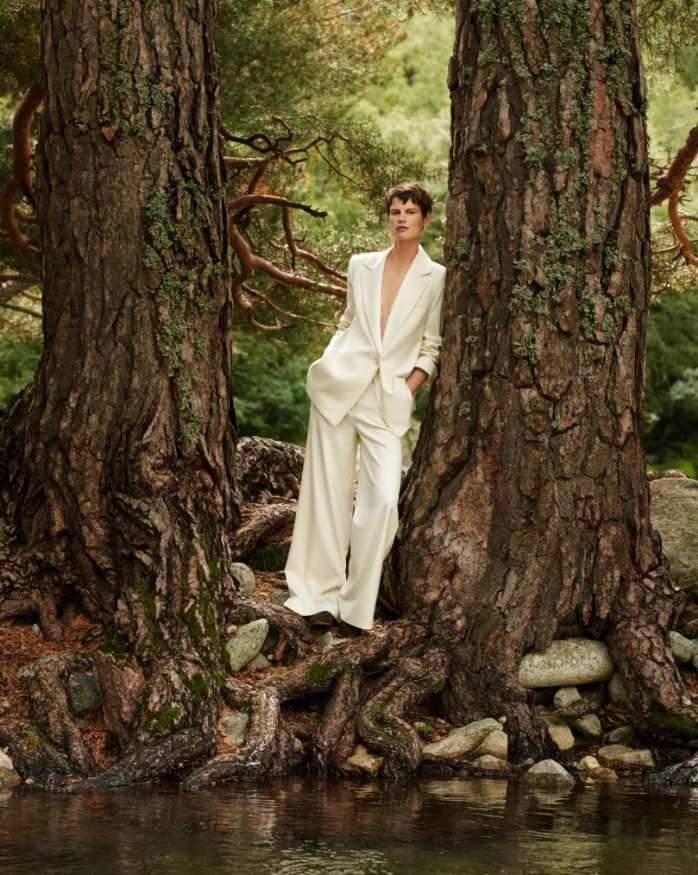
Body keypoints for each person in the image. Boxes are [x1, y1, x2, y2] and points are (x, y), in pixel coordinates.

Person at [284, 182, 446, 637]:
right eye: (395, 210)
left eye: (410, 211)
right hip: (340, 388)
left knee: (380, 503)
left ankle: (356, 607)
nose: (401, 217)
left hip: (386, 400)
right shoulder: (361, 265)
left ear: (425, 219)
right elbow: (348, 321)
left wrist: (407, 387)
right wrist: (332, 361)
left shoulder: (437, 278)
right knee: (327, 494)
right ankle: (318, 597)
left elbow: (432, 344)